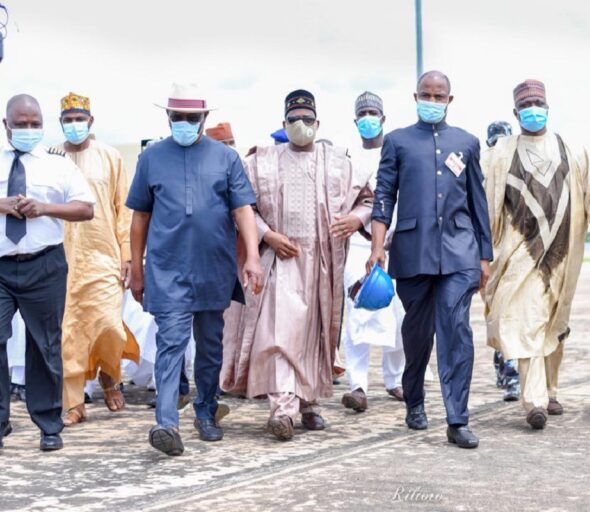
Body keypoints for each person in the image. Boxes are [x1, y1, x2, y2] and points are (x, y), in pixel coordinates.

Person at [221, 89, 373, 441]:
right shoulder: (260, 162)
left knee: (312, 338)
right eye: (294, 120)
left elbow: (370, 200)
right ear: (284, 123)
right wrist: (268, 235)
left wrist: (355, 219)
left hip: (322, 264)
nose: (301, 125)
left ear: (318, 123)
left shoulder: (340, 162)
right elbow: (242, 206)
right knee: (278, 336)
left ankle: (309, 403)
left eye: (307, 119)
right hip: (278, 262)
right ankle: (282, 410)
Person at [126, 83, 264, 456]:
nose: (184, 123)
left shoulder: (226, 158)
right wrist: (136, 267)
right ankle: (166, 423)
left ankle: (205, 410)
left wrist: (252, 257)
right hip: (167, 268)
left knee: (210, 344)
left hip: (213, 267)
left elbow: (243, 209)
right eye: (177, 117)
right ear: (167, 117)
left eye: (191, 117)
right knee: (170, 342)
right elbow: (140, 216)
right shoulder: (151, 158)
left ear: (204, 118)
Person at [369, 71, 492, 449]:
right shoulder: (397, 141)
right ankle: (415, 399)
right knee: (417, 334)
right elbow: (384, 197)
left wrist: (485, 255)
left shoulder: (467, 143)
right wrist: (377, 248)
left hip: (459, 252)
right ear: (415, 97)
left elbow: (478, 202)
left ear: (450, 100)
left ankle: (457, 420)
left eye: (439, 96)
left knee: (456, 331)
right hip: (413, 252)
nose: (432, 101)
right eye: (426, 94)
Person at [481, 80, 590, 430]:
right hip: (518, 253)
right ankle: (534, 401)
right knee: (527, 320)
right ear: (515, 113)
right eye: (526, 105)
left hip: (563, 255)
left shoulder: (574, 151)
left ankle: (550, 390)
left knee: (554, 325)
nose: (533, 110)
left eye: (538, 103)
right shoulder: (500, 154)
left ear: (548, 108)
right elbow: (480, 201)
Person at [0, 94, 95, 451]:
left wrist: (44, 208)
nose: (29, 129)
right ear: (6, 125)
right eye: (21, 124)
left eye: (35, 124)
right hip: (1, 266)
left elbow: (85, 209)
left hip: (45, 264)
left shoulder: (59, 165)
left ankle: (48, 424)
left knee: (45, 345)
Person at [55, 92, 140, 426]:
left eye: (80, 119)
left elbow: (124, 210)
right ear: (61, 123)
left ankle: (109, 374)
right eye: (68, 120)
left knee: (109, 325)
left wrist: (127, 255)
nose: (74, 124)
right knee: (69, 330)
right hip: (63, 258)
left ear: (90, 121)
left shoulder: (110, 156)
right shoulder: (51, 158)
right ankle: (74, 402)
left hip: (104, 255)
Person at [340, 91, 406, 414]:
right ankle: (358, 386)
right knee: (360, 308)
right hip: (357, 244)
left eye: (372, 113)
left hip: (396, 243)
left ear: (383, 118)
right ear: (356, 121)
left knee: (400, 312)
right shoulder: (346, 158)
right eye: (362, 114)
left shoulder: (398, 153)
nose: (368, 118)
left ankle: (396, 379)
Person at [484, 120, 520, 402]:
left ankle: (511, 372)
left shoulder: (520, 168)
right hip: (491, 255)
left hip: (517, 251)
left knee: (513, 313)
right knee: (496, 313)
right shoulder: (480, 169)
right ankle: (502, 359)